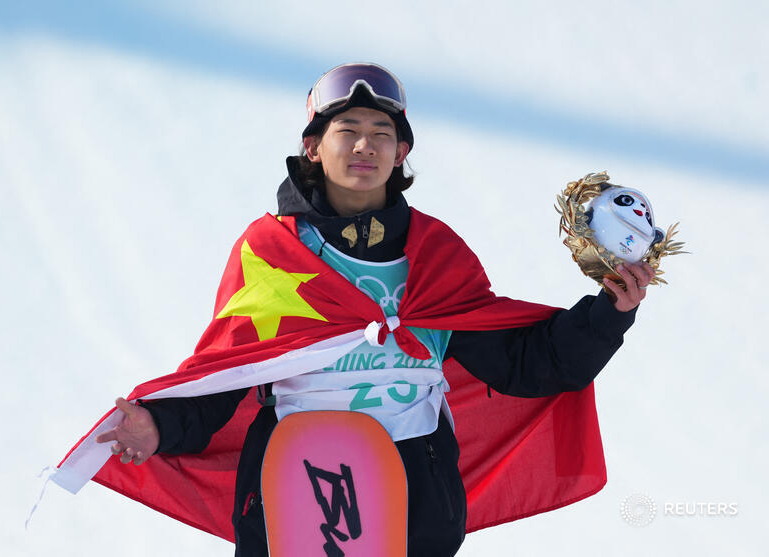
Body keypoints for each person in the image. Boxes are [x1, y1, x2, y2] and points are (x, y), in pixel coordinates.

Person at [95, 62, 655, 556]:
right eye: (349, 130)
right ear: (313, 147)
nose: (365, 146)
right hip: (292, 486)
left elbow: (523, 361)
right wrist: (160, 425)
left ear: (400, 153)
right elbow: (228, 371)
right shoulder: (273, 252)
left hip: (416, 492)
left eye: (382, 134)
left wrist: (609, 313)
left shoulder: (436, 253)